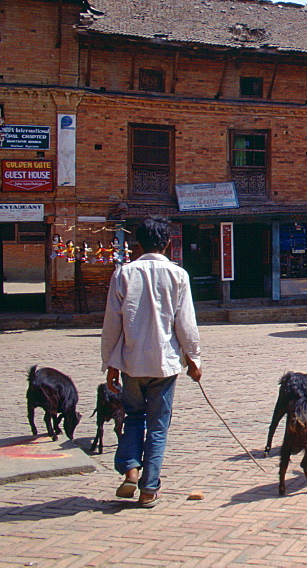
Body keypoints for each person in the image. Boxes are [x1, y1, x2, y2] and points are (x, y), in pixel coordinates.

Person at [100, 215, 202, 508]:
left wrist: (111, 364)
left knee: (133, 417)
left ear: (138, 244)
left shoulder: (123, 274)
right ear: (168, 243)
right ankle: (149, 488)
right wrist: (193, 359)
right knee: (158, 425)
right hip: (165, 364)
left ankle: (131, 469)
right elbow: (186, 324)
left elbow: (111, 325)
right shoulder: (178, 275)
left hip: (132, 363)